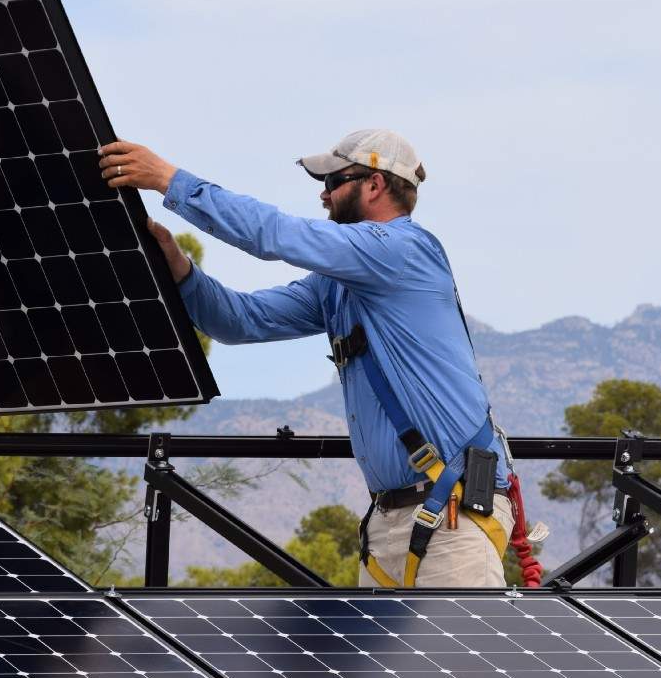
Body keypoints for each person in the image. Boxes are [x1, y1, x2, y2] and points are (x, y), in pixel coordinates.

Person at [98, 129, 515, 587]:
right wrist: (181, 269)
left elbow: (276, 235)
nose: (323, 193)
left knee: (454, 659)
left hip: (450, 515)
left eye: (335, 180)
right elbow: (241, 320)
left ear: (374, 185)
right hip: (390, 519)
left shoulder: (402, 250)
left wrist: (170, 181)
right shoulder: (336, 285)